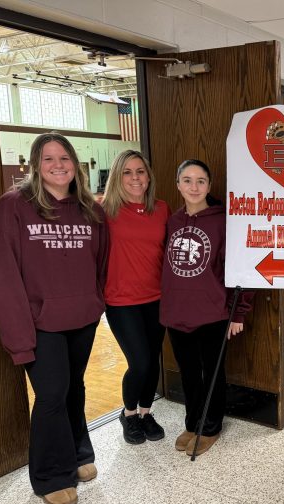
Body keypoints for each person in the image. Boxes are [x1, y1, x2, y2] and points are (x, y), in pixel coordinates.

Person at [0, 132, 108, 504]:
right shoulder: (14, 207)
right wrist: (19, 337)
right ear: (36, 165)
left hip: (83, 318)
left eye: (65, 158)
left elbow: (100, 263)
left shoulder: (90, 209)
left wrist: (96, 302)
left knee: (75, 388)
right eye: (49, 158)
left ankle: (78, 450)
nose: (59, 165)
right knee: (52, 394)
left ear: (76, 164)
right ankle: (50, 474)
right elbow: (2, 274)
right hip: (40, 323)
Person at [160, 159, 252, 457]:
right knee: (188, 372)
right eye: (187, 180)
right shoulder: (172, 221)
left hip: (213, 313)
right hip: (177, 312)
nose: (194, 187)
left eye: (200, 181)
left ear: (209, 186)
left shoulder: (223, 221)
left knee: (212, 372)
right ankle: (192, 422)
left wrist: (238, 312)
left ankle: (210, 426)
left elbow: (241, 267)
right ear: (178, 185)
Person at [102, 150, 170, 445]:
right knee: (139, 362)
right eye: (127, 172)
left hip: (156, 297)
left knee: (152, 361)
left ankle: (145, 412)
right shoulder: (103, 212)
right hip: (120, 301)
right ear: (117, 177)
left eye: (140, 171)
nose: (134, 178)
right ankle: (128, 414)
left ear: (148, 175)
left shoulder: (162, 209)